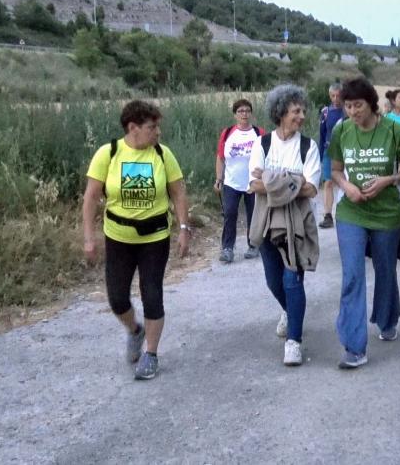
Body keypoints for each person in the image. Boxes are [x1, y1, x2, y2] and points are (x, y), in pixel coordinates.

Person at [82, 100, 191, 381]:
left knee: (151, 292)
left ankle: (151, 354)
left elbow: (178, 193)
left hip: (155, 237)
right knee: (117, 298)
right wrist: (89, 238)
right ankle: (134, 330)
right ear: (133, 128)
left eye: (158, 127)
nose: (158, 133)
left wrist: (183, 228)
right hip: (118, 237)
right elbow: (91, 197)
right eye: (152, 127)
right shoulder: (108, 154)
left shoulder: (162, 154)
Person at [329, 77, 400, 369]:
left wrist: (387, 180)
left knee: (385, 269)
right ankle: (354, 347)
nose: (352, 111)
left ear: (372, 104)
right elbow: (336, 171)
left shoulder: (395, 131)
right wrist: (347, 187)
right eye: (348, 106)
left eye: (358, 105)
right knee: (352, 275)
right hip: (351, 213)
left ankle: (387, 318)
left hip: (388, 214)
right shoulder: (342, 130)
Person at [247, 84, 321, 366]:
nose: (301, 116)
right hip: (266, 220)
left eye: (303, 111)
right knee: (272, 280)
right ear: (280, 113)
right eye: (295, 111)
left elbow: (311, 189)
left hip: (297, 222)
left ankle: (294, 341)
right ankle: (291, 313)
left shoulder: (308, 146)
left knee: (293, 279)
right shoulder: (263, 143)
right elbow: (253, 185)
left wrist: (271, 179)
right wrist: (291, 180)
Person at [214, 99, 264, 263]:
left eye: (247, 111)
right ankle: (228, 248)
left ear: (251, 113)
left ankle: (254, 244)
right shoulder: (227, 133)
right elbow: (221, 158)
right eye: (241, 111)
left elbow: (268, 157)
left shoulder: (259, 133)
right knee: (229, 214)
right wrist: (219, 178)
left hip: (253, 182)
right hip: (231, 182)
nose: (244, 114)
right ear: (235, 114)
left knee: (253, 214)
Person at [318, 82, 345, 229]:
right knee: (328, 183)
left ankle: (347, 214)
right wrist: (320, 156)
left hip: (345, 152)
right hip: (329, 152)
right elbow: (322, 135)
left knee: (345, 182)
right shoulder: (325, 112)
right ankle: (328, 215)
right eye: (332, 95)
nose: (335, 98)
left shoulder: (348, 111)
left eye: (338, 95)